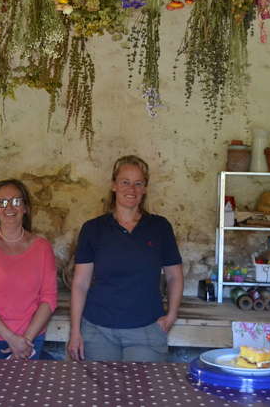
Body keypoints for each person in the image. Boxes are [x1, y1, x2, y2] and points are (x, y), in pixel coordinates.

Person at [67, 155, 183, 362]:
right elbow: (80, 283)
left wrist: (172, 314)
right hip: (97, 330)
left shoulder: (159, 227)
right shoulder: (93, 229)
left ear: (145, 188)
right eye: (125, 182)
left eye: (138, 183)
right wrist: (75, 331)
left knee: (142, 394)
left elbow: (174, 275)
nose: (132, 189)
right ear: (114, 186)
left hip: (146, 328)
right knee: (101, 394)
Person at [0, 179, 58, 359]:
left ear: (25, 207)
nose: (9, 207)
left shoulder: (42, 247)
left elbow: (49, 298)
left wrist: (25, 339)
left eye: (16, 201)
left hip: (30, 340)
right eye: (2, 202)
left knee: (25, 388)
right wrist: (11, 338)